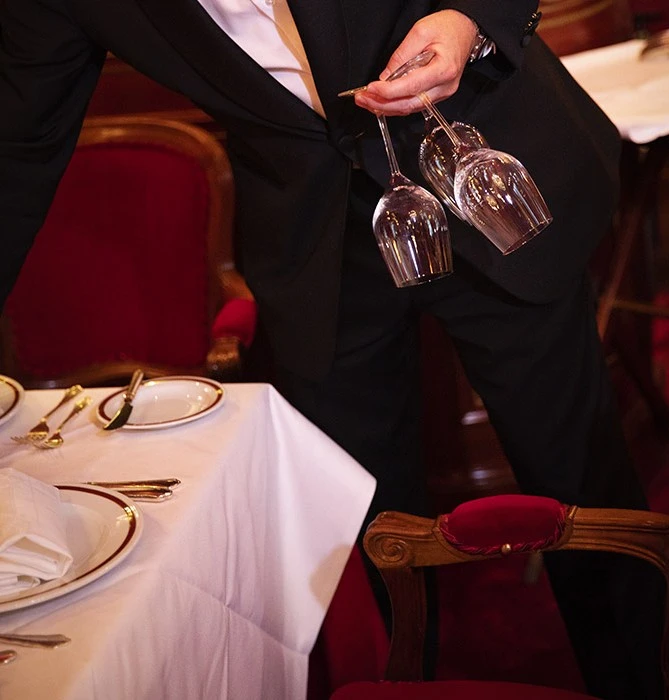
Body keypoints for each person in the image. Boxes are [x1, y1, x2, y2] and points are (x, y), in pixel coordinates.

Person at [0, 1, 664, 697]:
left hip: (475, 163)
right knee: (363, 516)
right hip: (312, 238)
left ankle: (639, 680)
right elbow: (16, 146)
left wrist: (469, 19)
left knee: (577, 478)